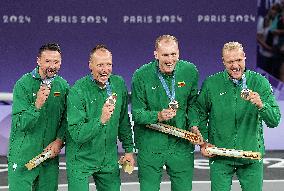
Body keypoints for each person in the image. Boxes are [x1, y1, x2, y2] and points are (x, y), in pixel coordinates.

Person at [193, 41, 281, 191]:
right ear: (223, 62)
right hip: (220, 156)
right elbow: (198, 113)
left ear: (244, 58)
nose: (235, 65)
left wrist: (261, 105)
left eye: (239, 60)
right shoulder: (211, 83)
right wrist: (203, 142)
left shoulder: (259, 82)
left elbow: (274, 120)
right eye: (230, 61)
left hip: (250, 157)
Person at [131, 34, 200, 191]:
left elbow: (193, 105)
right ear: (156, 54)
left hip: (181, 144)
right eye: (165, 55)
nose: (170, 60)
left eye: (173, 54)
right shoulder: (141, 75)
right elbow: (137, 113)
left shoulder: (190, 71)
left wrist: (194, 125)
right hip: (151, 145)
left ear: (178, 53)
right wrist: (158, 116)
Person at [66, 44, 134, 191]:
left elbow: (123, 120)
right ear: (90, 65)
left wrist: (128, 150)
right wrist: (101, 120)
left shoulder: (118, 84)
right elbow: (77, 134)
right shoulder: (77, 91)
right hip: (80, 160)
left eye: (108, 64)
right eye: (100, 65)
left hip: (108, 159)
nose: (105, 70)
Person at [8, 43, 69, 191]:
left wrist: (60, 140)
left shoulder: (63, 86)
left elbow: (66, 120)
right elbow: (20, 123)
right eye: (47, 61)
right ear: (38, 61)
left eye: (56, 62)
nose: (52, 66)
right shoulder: (23, 85)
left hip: (48, 158)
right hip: (23, 156)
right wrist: (37, 105)